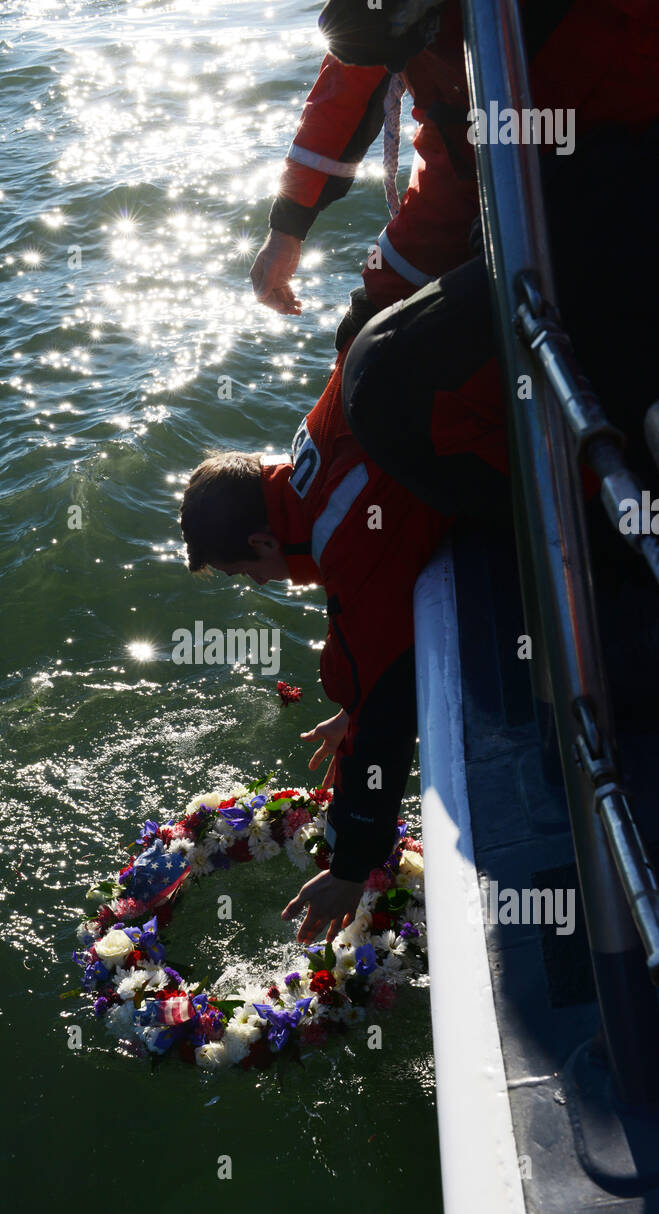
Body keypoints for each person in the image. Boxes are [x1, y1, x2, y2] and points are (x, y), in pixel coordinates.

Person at [179, 352, 454, 943]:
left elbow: (386, 720)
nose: (257, 583)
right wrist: (353, 708)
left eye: (244, 571)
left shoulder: (346, 540)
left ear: (260, 539)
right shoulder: (316, 440)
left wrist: (351, 870)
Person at [252, 0, 659, 349]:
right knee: (372, 326)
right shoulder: (384, 19)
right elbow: (347, 84)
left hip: (598, 167)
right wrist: (287, 228)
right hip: (468, 149)